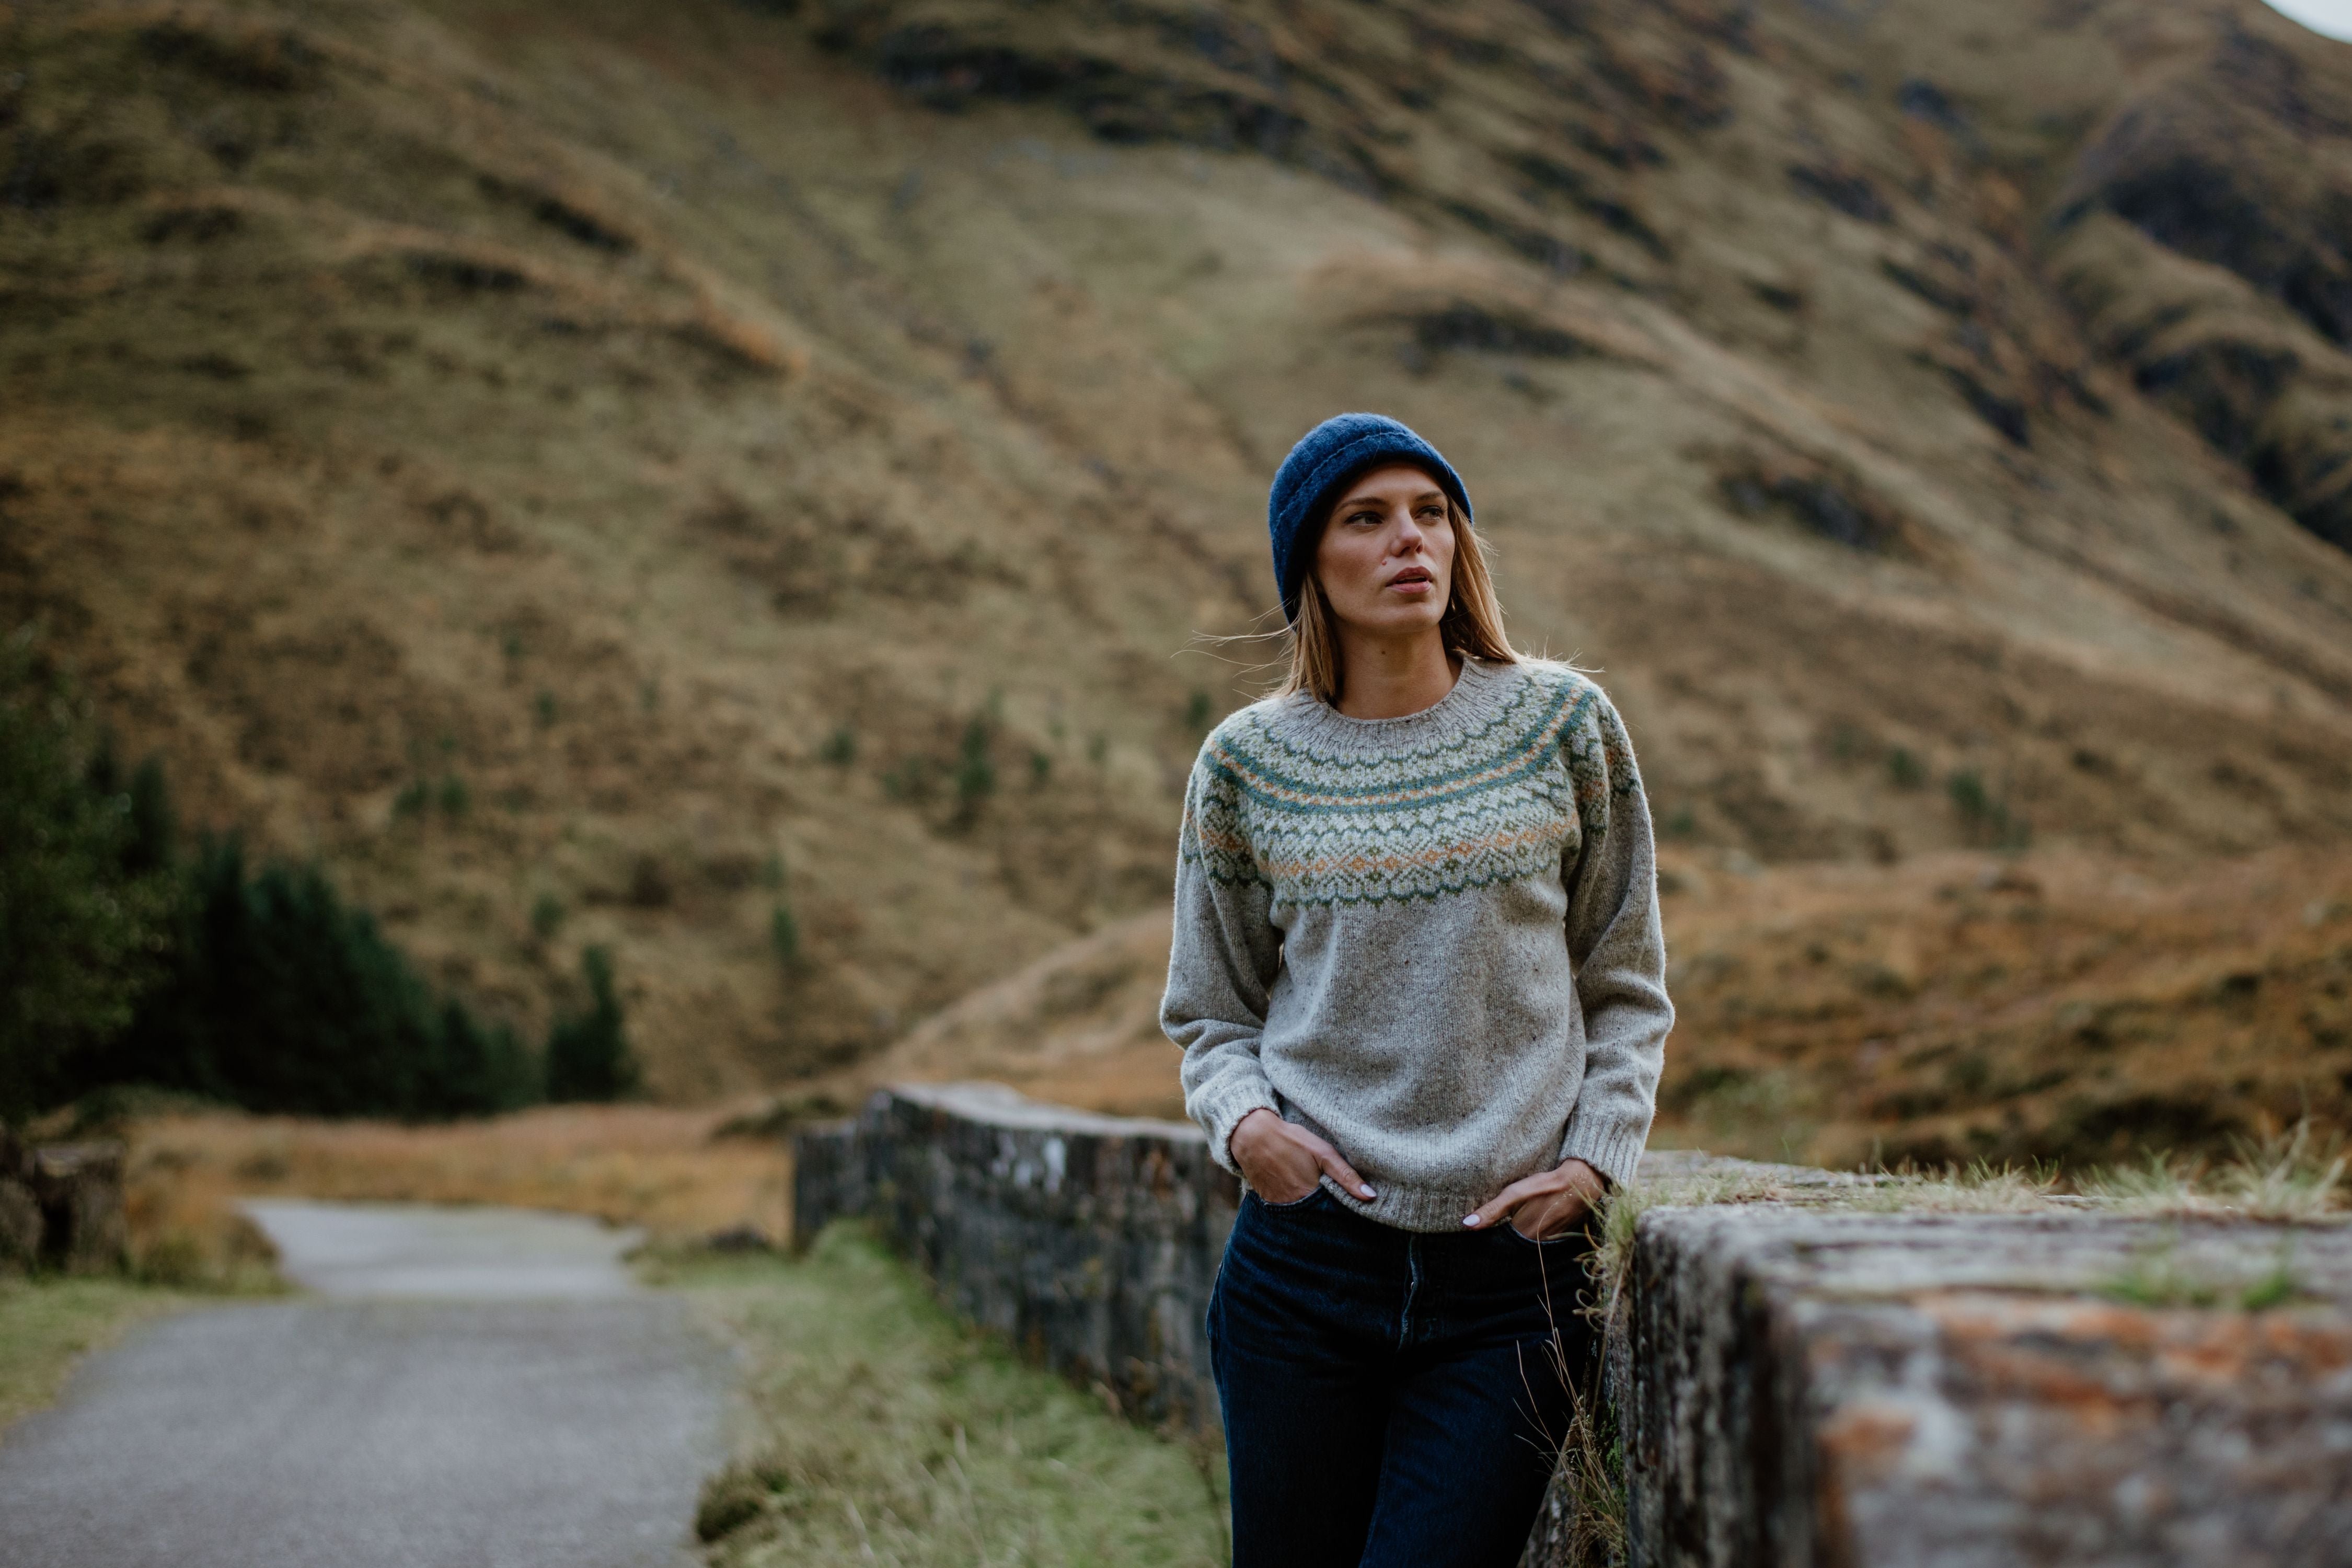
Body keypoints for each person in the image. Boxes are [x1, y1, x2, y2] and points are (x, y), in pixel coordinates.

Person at [1160, 412, 1673, 1568]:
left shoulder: (1564, 724)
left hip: (1511, 1289)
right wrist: (1248, 1130)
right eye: (1368, 518)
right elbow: (1212, 1012)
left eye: (1431, 513)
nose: (1411, 540)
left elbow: (1625, 983)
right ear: (1310, 563)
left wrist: (1596, 1162)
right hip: (1303, 1273)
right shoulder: (1244, 764)